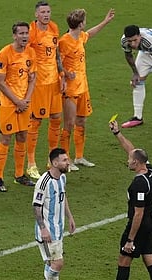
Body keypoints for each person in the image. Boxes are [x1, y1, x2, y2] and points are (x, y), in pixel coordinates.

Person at [94, 120, 152, 280]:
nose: (128, 161)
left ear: (137, 163)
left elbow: (138, 214)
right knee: (150, 261)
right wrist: (117, 134)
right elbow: (131, 149)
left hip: (140, 226)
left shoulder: (138, 184)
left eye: (130, 160)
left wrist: (130, 240)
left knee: (124, 261)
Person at [59, 8, 115, 170]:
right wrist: (66, 74)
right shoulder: (65, 41)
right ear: (80, 24)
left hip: (83, 86)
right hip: (70, 89)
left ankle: (79, 156)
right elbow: (58, 62)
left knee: (82, 121)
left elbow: (90, 34)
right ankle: (66, 159)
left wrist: (105, 21)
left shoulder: (80, 36)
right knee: (69, 124)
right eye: (85, 20)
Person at [0, 21, 37, 192]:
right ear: (14, 35)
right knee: (5, 138)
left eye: (26, 33)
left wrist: (25, 100)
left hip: (25, 103)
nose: (24, 36)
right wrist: (17, 101)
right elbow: (0, 83)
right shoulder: (4, 54)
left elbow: (33, 78)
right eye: (21, 33)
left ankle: (19, 175)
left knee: (22, 136)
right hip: (8, 104)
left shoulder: (31, 53)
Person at [33, 147, 76, 280]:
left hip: (58, 229)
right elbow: (36, 207)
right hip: (47, 233)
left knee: (53, 263)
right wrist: (43, 229)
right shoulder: (44, 182)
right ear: (54, 162)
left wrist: (70, 217)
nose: (68, 162)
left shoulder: (62, 177)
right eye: (64, 160)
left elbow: (63, 197)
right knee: (57, 263)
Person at [26, 1, 64, 179]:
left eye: (48, 11)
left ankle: (52, 160)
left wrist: (61, 74)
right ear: (36, 15)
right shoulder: (31, 32)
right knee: (36, 121)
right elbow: (25, 56)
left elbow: (56, 54)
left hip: (54, 81)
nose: (46, 15)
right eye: (42, 12)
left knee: (56, 118)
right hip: (39, 83)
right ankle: (31, 164)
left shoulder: (54, 27)